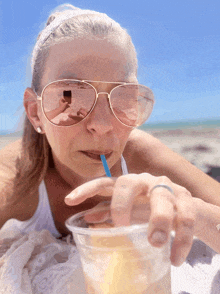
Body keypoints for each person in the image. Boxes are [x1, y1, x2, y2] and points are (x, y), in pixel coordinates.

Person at [0, 3, 220, 272]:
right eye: (69, 98)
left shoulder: (139, 154)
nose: (102, 125)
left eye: (124, 98)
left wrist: (199, 215)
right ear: (35, 113)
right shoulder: (12, 182)